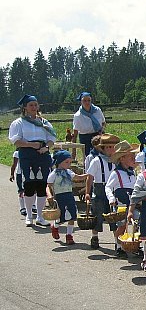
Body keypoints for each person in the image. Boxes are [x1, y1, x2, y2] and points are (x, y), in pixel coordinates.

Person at [8, 94, 56, 227]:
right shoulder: (19, 123)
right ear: (25, 107)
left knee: (41, 185)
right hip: (27, 154)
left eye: (35, 105)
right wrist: (31, 145)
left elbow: (51, 138)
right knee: (29, 185)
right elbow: (16, 141)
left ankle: (40, 216)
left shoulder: (44, 122)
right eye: (31, 105)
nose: (34, 107)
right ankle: (29, 215)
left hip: (42, 154)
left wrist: (46, 148)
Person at [85, 133, 120, 249]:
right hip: (99, 189)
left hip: (112, 190)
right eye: (108, 147)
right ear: (103, 148)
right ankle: (95, 237)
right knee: (97, 216)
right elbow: (89, 177)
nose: (111, 149)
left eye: (113, 147)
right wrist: (87, 193)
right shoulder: (96, 161)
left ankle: (117, 243)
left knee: (114, 217)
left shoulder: (117, 162)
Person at [46, 150, 89, 245]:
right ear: (59, 162)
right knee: (61, 215)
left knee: (72, 215)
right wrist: (49, 195)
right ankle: (55, 226)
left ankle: (69, 235)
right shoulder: (54, 174)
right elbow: (48, 186)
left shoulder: (69, 172)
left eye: (70, 162)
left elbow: (77, 177)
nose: (69, 164)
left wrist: (86, 176)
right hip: (59, 196)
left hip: (69, 195)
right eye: (66, 162)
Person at [105, 140, 139, 257]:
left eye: (134, 156)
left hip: (133, 202)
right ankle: (119, 245)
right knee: (122, 225)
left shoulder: (133, 172)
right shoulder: (116, 173)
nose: (133, 158)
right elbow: (108, 187)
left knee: (134, 223)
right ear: (122, 158)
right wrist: (111, 198)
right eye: (131, 156)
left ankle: (132, 243)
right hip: (121, 203)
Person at [72, 92, 105, 159]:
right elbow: (75, 132)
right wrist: (74, 150)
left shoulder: (97, 110)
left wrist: (102, 131)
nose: (87, 103)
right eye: (84, 100)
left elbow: (103, 122)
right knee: (89, 157)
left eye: (89, 100)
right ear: (81, 102)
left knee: (101, 156)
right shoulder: (78, 115)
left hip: (98, 135)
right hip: (85, 138)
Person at [9, 149, 26, 216]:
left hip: (30, 172)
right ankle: (22, 207)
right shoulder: (17, 153)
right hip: (20, 173)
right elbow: (14, 164)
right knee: (21, 190)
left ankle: (33, 205)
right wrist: (12, 174)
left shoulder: (31, 151)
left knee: (31, 189)